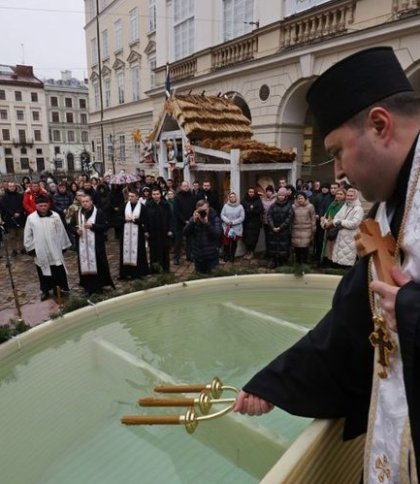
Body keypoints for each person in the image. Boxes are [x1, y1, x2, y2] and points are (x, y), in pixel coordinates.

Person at [233, 47, 420, 482]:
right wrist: (274, 383)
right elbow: (350, 326)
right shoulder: (387, 212)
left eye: (337, 151)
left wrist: (411, 311)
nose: (336, 172)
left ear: (379, 125)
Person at [23, 195, 71, 301]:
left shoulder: (55, 216)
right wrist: (31, 248)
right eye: (41, 206)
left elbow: (61, 231)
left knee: (57, 269)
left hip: (54, 248)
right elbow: (28, 234)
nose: (43, 208)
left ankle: (60, 288)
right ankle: (45, 290)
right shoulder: (31, 218)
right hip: (40, 249)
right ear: (36, 206)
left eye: (45, 205)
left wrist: (63, 246)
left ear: (48, 205)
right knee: (43, 270)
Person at [71, 194, 115, 295]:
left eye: (87, 201)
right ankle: (88, 287)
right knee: (84, 265)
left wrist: (93, 226)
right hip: (82, 245)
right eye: (83, 202)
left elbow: (105, 226)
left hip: (96, 245)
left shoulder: (98, 213)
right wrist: (76, 231)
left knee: (98, 264)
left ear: (91, 202)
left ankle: (99, 286)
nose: (85, 203)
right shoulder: (77, 214)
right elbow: (70, 226)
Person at [327, 187, 364, 269]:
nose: (349, 197)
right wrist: (339, 221)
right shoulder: (345, 206)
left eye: (351, 195)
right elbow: (336, 217)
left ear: (356, 196)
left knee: (348, 260)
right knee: (338, 259)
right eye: (348, 195)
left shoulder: (358, 209)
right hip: (340, 236)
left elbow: (354, 223)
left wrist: (341, 222)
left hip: (350, 237)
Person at [184, 199, 222, 274]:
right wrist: (192, 222)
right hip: (198, 255)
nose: (203, 212)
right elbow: (185, 233)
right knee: (200, 276)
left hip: (211, 255)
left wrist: (207, 224)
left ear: (208, 208)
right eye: (200, 211)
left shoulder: (215, 219)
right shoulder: (194, 219)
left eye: (205, 210)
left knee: (212, 278)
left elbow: (217, 235)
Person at [119, 191, 149, 280]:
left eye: (132, 196)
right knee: (125, 252)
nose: (130, 198)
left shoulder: (142, 207)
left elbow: (145, 219)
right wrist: (125, 219)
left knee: (138, 252)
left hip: (138, 233)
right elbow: (117, 217)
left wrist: (136, 220)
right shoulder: (124, 206)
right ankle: (125, 272)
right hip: (126, 233)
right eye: (129, 196)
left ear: (137, 197)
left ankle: (138, 273)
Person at [145, 188, 172, 273]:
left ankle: (165, 268)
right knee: (153, 251)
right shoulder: (148, 205)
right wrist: (146, 231)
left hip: (164, 231)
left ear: (160, 195)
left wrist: (170, 229)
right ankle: (155, 268)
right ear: (151, 195)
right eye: (154, 194)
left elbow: (170, 218)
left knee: (165, 250)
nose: (156, 196)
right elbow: (145, 219)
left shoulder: (165, 204)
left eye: (157, 194)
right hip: (152, 232)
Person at [267, 187, 294, 268]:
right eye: (279, 195)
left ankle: (282, 262)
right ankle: (274, 261)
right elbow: (269, 216)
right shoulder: (273, 205)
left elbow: (289, 218)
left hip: (284, 231)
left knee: (283, 246)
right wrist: (272, 226)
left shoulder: (289, 206)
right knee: (273, 246)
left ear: (285, 196)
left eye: (283, 195)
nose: (281, 197)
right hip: (273, 230)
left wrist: (280, 227)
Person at [320, 187, 346, 266]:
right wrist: (323, 220)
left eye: (341, 194)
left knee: (334, 248)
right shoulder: (332, 203)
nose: (338, 195)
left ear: (345, 195)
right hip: (328, 228)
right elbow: (327, 214)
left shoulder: (345, 206)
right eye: (337, 194)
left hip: (336, 229)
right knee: (328, 247)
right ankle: (327, 261)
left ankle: (333, 263)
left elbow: (341, 218)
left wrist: (330, 222)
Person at [291, 191, 316, 265]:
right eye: (298, 198)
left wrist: (313, 228)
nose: (300, 200)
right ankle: (298, 262)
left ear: (305, 199)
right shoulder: (293, 206)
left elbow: (313, 218)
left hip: (307, 229)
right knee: (297, 247)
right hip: (296, 229)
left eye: (301, 198)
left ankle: (304, 262)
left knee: (305, 247)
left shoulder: (310, 206)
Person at [0, 182, 25, 256]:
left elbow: (22, 205)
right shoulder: (4, 197)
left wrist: (18, 212)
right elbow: (4, 207)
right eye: (10, 186)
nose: (12, 188)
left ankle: (22, 248)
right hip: (10, 218)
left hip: (20, 217)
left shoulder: (20, 196)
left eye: (13, 186)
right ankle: (14, 250)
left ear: (15, 187)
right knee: (12, 236)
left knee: (21, 235)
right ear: (8, 187)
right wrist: (12, 213)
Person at [173, 181, 195, 265]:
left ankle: (189, 256)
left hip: (190, 221)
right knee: (178, 241)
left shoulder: (192, 196)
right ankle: (176, 258)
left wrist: (191, 219)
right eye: (184, 186)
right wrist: (184, 220)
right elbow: (176, 211)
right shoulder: (177, 197)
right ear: (181, 187)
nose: (186, 187)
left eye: (187, 186)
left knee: (190, 240)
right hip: (180, 223)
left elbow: (194, 208)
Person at [220, 192, 245, 263]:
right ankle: (226, 256)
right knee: (226, 243)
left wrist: (233, 222)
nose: (232, 198)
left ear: (236, 198)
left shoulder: (240, 207)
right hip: (227, 227)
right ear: (229, 198)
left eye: (233, 197)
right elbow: (222, 215)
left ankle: (232, 256)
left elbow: (242, 217)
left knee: (234, 243)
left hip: (236, 228)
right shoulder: (225, 206)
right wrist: (228, 221)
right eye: (231, 197)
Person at [241, 187, 263, 260]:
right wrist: (249, 209)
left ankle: (252, 252)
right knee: (246, 238)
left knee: (253, 238)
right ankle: (247, 251)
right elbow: (242, 209)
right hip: (246, 223)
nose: (251, 193)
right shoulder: (244, 200)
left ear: (254, 193)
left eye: (252, 192)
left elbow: (261, 210)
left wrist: (252, 210)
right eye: (250, 192)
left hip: (255, 223)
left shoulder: (258, 200)